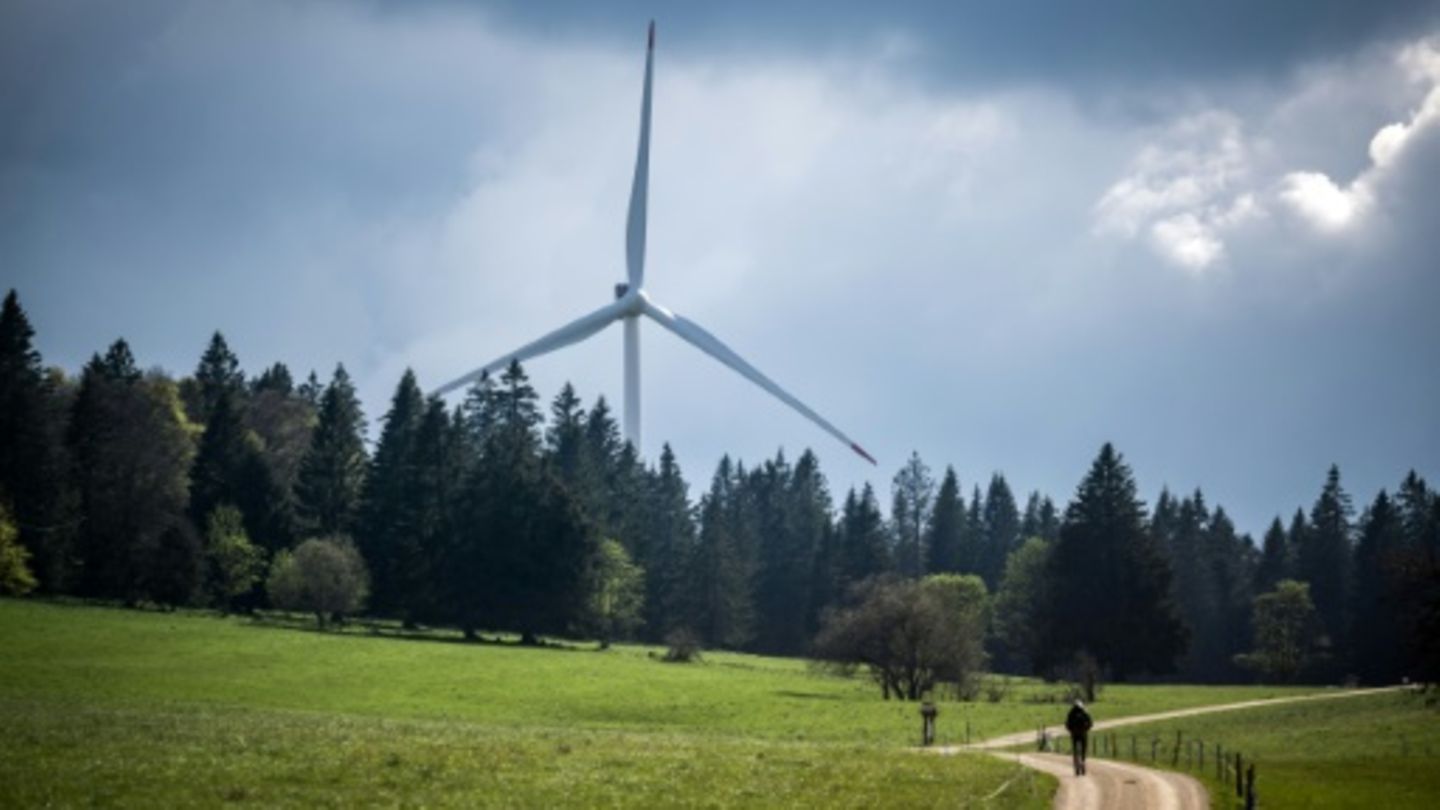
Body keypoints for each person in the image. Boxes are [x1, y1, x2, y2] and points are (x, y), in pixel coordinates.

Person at [1065, 699, 1093, 776]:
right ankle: (1083, 761)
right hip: (1083, 733)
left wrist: (1070, 730)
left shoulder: (1071, 712)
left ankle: (1076, 766)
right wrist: (1087, 729)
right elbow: (1090, 722)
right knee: (1084, 748)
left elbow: (1067, 724)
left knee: (1075, 749)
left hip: (1074, 733)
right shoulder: (1084, 711)